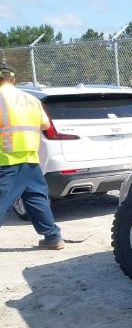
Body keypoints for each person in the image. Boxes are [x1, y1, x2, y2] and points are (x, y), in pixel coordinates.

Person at [0, 64, 64, 249]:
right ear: (13, 80)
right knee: (36, 199)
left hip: (6, 160)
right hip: (30, 159)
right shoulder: (31, 99)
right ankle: (53, 237)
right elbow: (45, 125)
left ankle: (52, 237)